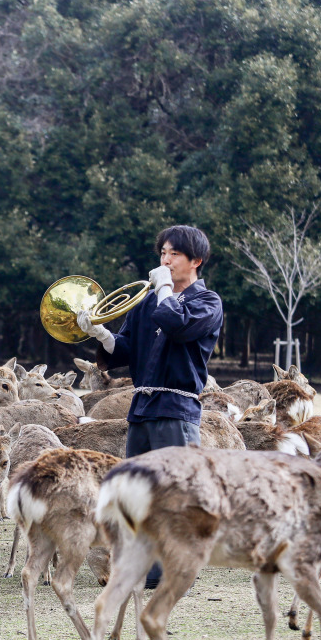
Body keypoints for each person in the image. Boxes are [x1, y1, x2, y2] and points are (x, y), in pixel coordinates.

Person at [75, 224, 223, 588]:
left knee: (175, 493)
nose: (165, 259)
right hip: (141, 408)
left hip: (176, 408)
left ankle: (176, 567)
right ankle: (142, 569)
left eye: (174, 254)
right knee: (138, 494)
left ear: (196, 260)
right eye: (162, 253)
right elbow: (123, 350)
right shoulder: (146, 303)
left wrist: (165, 290)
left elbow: (177, 325)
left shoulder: (208, 302)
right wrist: (100, 333)